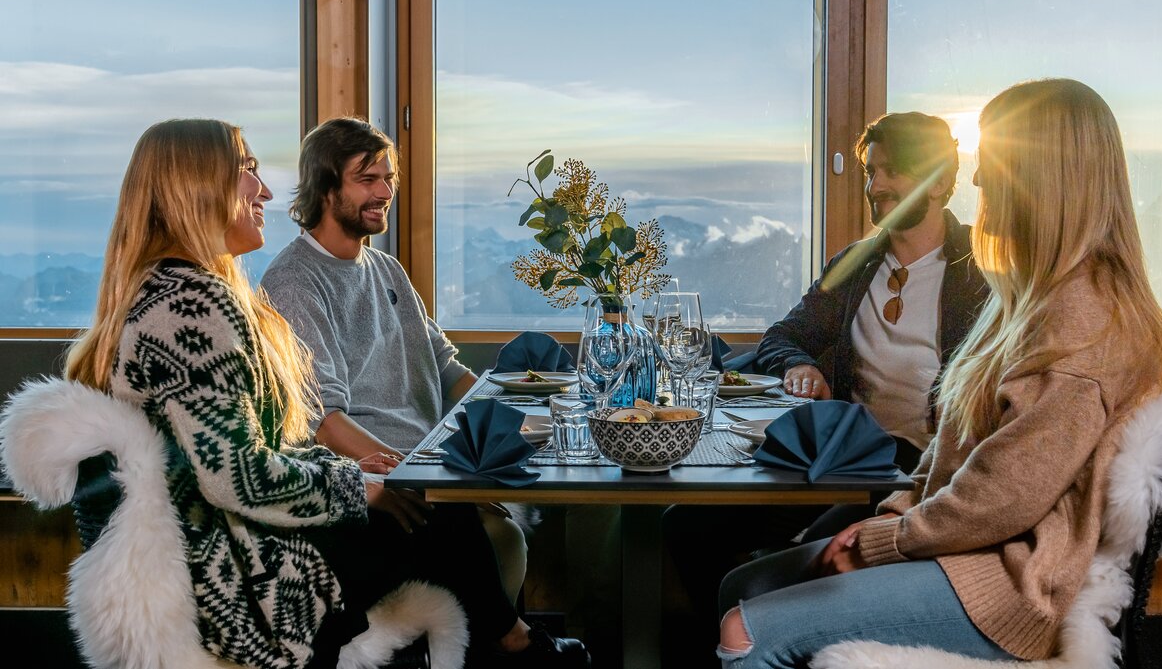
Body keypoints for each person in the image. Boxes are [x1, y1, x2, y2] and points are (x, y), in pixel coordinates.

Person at [65, 118, 586, 668]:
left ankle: (517, 647)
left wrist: (371, 478)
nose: (264, 189)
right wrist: (357, 486)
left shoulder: (170, 293)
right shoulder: (193, 306)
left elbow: (254, 449)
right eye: (247, 171)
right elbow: (236, 476)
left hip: (238, 542)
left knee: (442, 518)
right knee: (444, 520)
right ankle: (520, 648)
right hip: (246, 577)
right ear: (194, 185)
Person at [716, 79, 1162, 667]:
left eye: (992, 163)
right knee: (743, 586)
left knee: (746, 627)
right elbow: (963, 451)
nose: (979, 181)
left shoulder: (1083, 322)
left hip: (1006, 582)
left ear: (1043, 178)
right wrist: (896, 510)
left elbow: (1003, 492)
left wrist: (885, 539)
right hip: (962, 541)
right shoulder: (1027, 297)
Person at [663, 113, 986, 666]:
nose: (875, 185)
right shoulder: (856, 264)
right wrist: (798, 366)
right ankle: (727, 652)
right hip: (845, 457)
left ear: (938, 180)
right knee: (685, 525)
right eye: (870, 170)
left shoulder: (980, 268)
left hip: (919, 473)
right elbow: (784, 335)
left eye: (893, 171)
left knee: (787, 570)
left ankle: (773, 636)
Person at [259, 117, 528, 605]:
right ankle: (517, 645)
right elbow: (323, 420)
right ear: (324, 187)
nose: (385, 191)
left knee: (512, 521)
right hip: (376, 481)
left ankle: (512, 643)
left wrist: (521, 423)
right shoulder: (295, 283)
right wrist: (417, 479)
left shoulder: (386, 268)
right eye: (367, 180)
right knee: (500, 537)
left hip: (427, 467)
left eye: (388, 179)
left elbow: (446, 368)